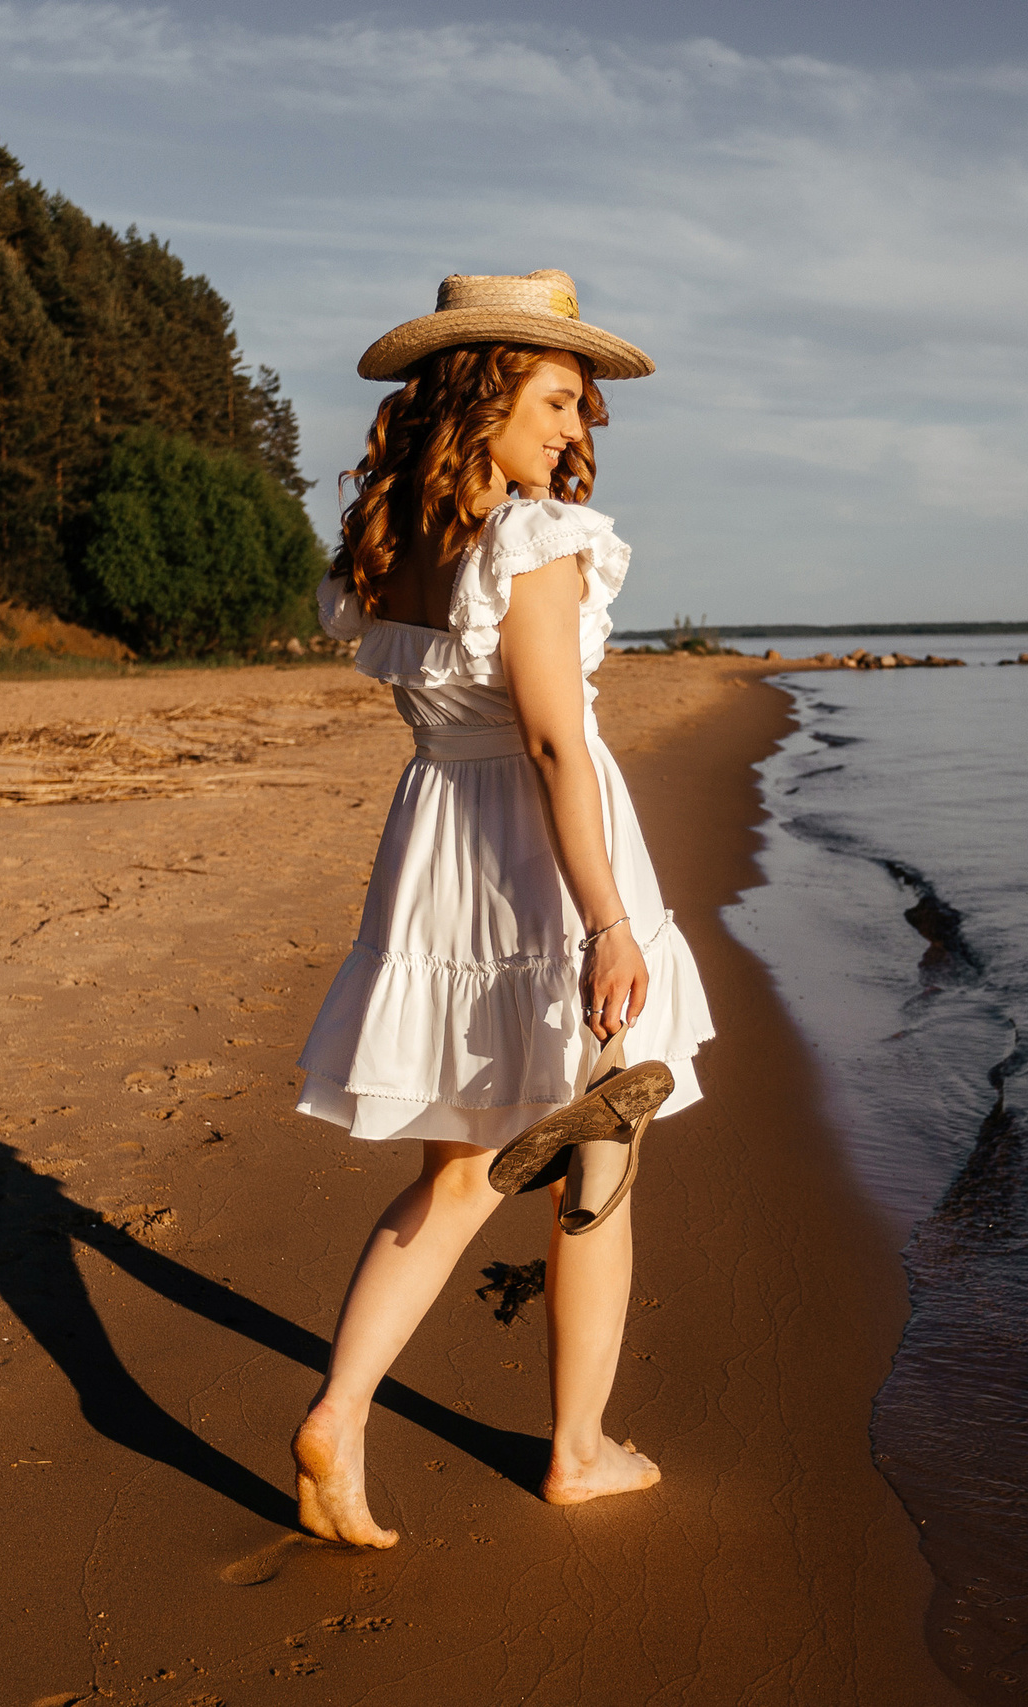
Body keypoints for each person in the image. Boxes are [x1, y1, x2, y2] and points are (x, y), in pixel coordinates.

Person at [290, 270, 715, 1547]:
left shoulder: (393, 547)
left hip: (440, 858)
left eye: (581, 406)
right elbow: (549, 743)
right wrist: (608, 922)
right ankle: (576, 1453)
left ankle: (340, 1412)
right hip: (543, 863)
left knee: (459, 1170)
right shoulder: (528, 540)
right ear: (482, 397)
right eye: (555, 400)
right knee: (602, 1157)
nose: (576, 429)